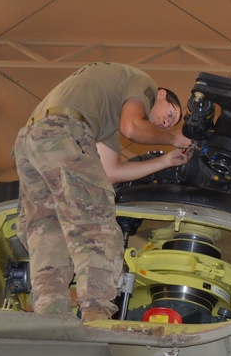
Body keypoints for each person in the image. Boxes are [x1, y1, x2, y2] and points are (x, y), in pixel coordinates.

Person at [13, 62, 193, 322]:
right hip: (63, 130)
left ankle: (51, 317)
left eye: (170, 123)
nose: (166, 123)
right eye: (171, 114)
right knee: (97, 227)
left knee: (48, 232)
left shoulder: (103, 111)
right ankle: (95, 314)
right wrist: (175, 138)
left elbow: (110, 172)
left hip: (30, 142)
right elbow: (132, 127)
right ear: (161, 95)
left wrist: (166, 161)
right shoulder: (145, 84)